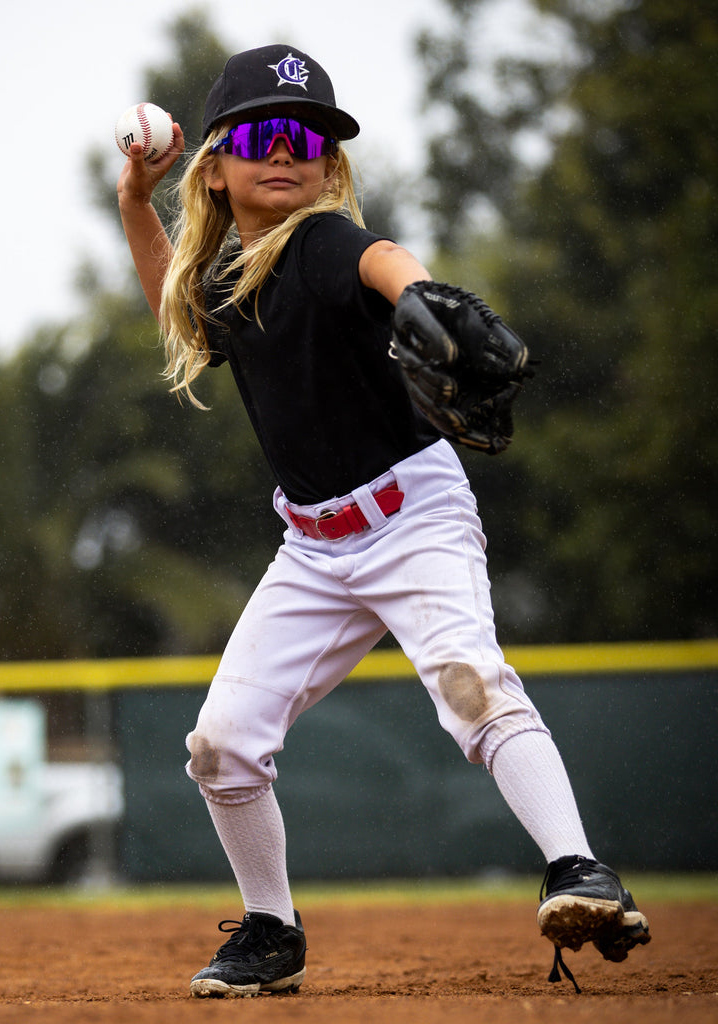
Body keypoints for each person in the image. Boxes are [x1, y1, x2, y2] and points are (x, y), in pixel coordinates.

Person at [116, 43, 650, 999]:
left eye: (310, 138)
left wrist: (423, 296)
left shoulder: (321, 244)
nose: (288, 153)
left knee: (472, 686)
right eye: (264, 134)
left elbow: (384, 258)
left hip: (414, 518)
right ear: (218, 161)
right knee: (221, 746)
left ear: (329, 165)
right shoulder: (234, 281)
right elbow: (170, 295)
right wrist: (131, 203)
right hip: (313, 548)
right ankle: (271, 931)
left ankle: (579, 869)